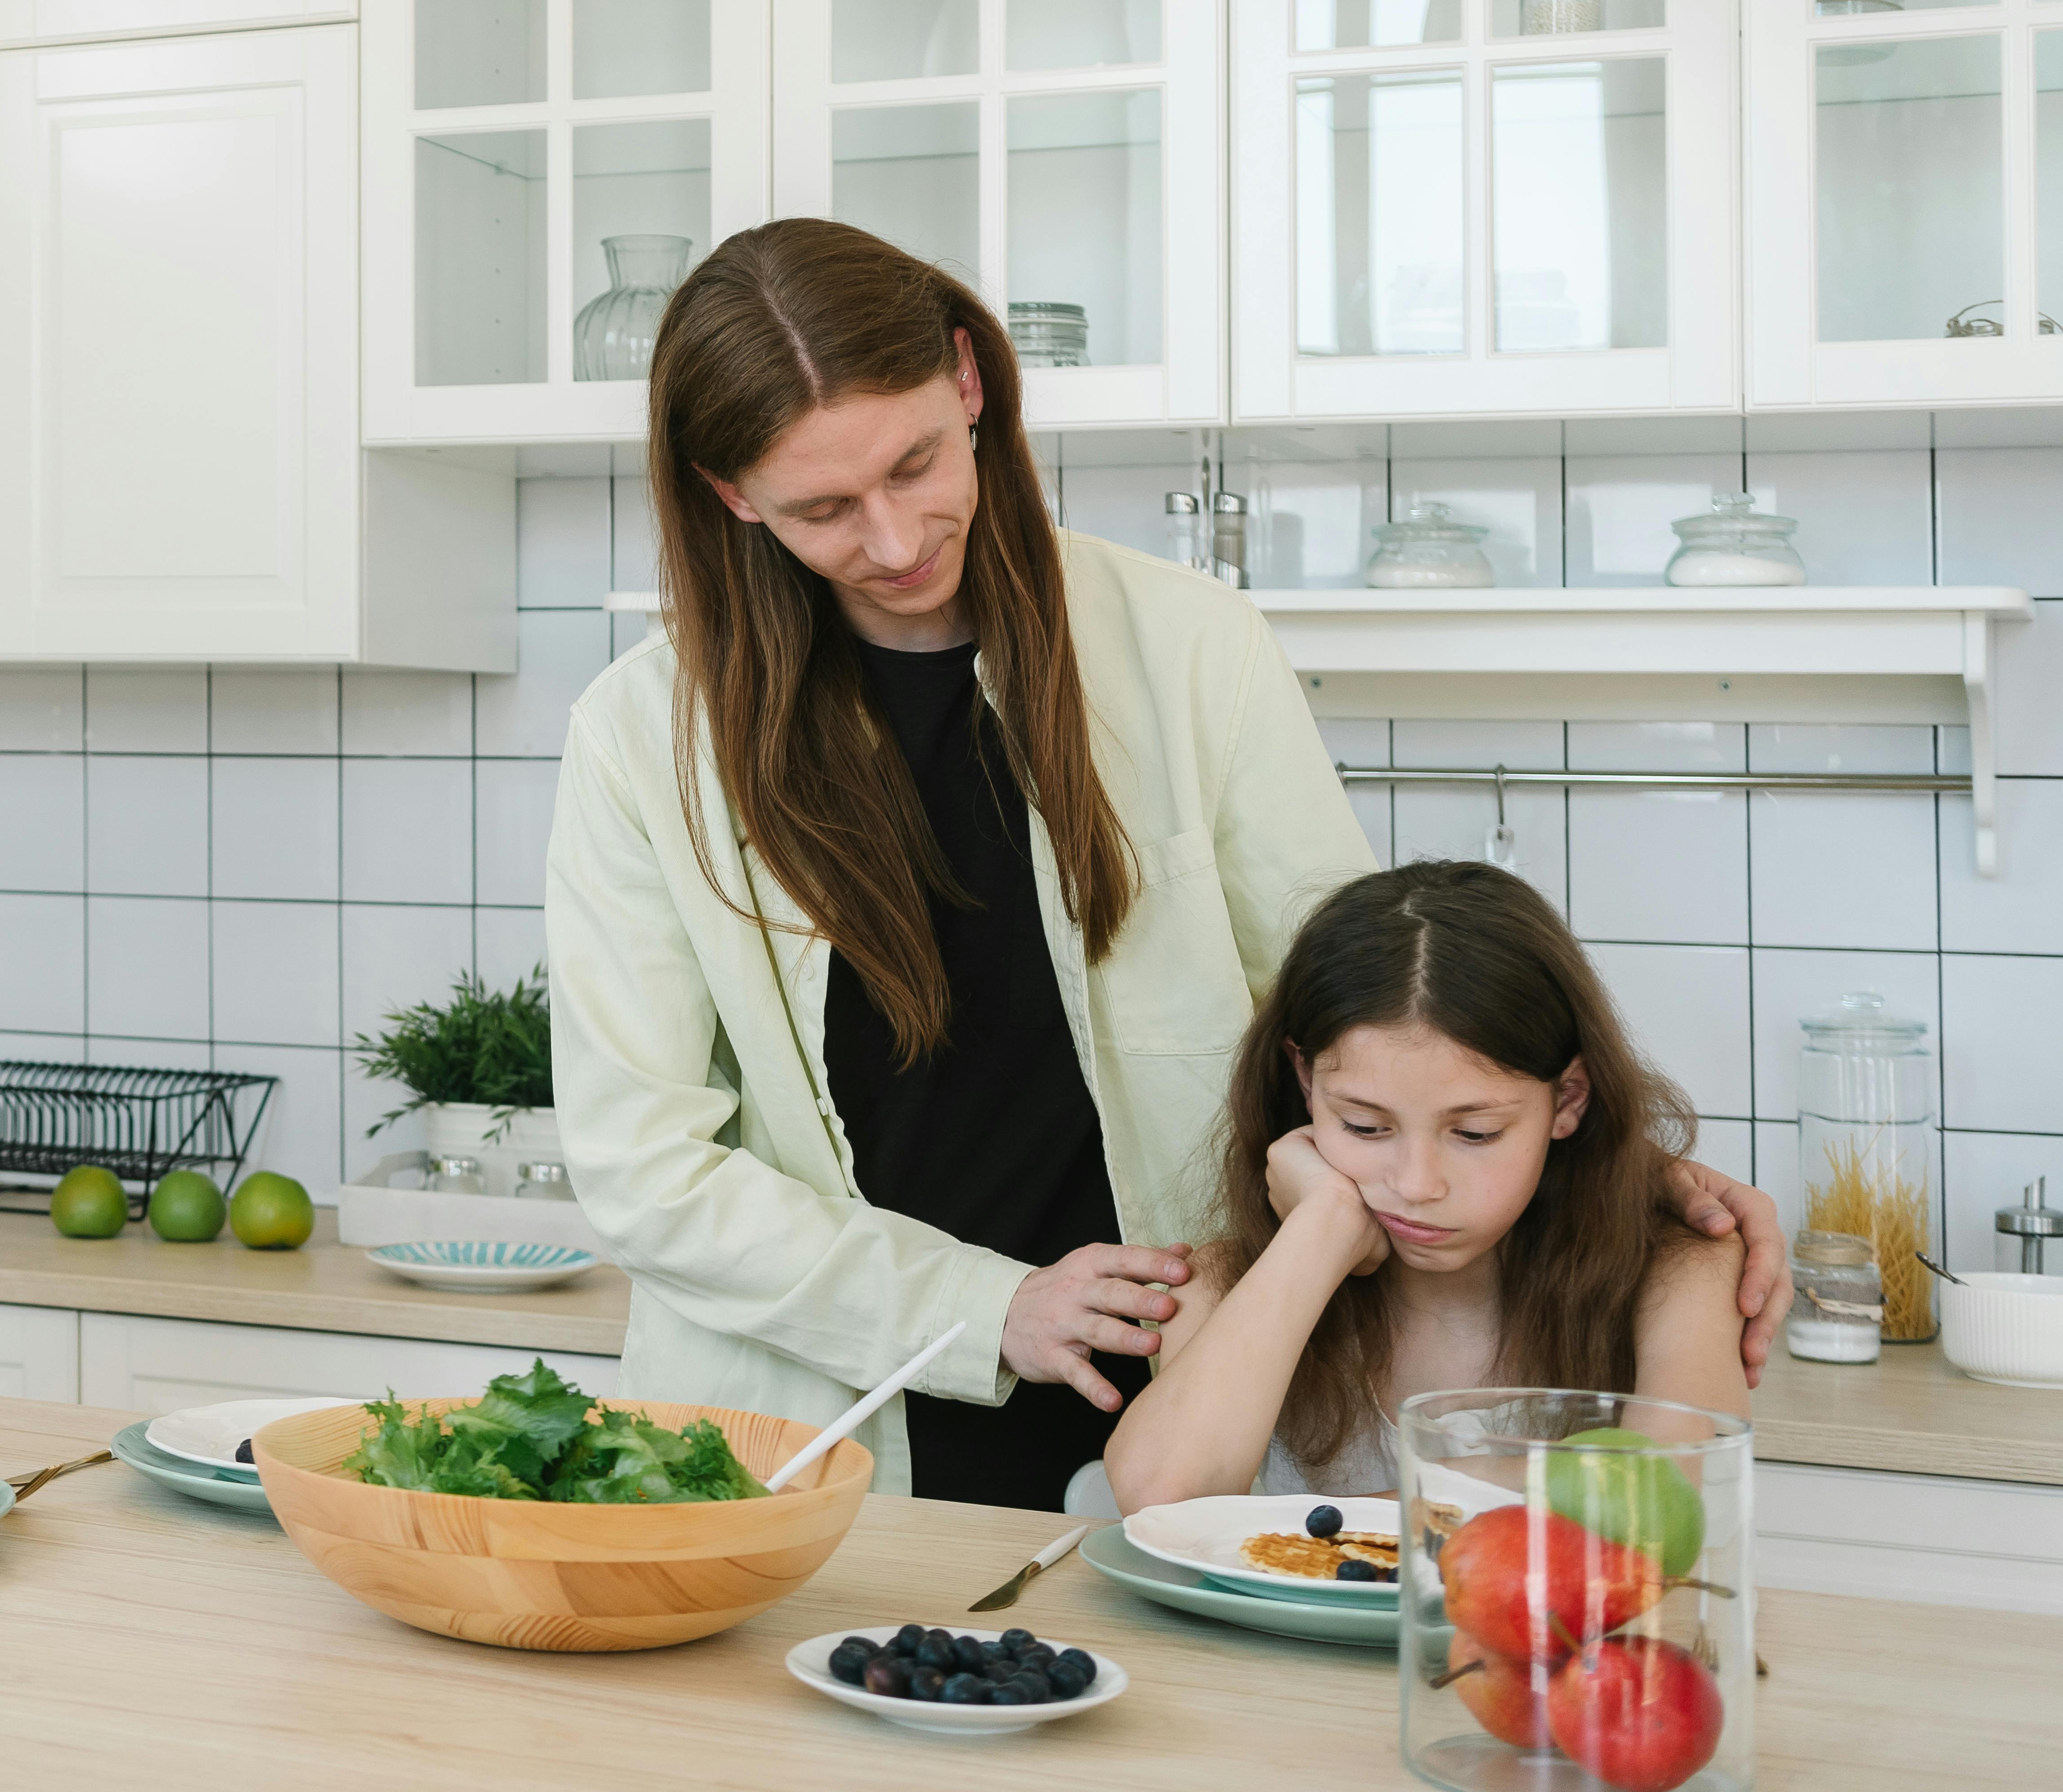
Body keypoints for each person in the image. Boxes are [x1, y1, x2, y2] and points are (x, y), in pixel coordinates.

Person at [542, 219, 1788, 1510]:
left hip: (1183, 1407)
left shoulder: (1196, 650)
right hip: (812, 1423)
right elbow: (645, 1167)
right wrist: (992, 1308)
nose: (899, 538)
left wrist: (1611, 1172)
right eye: (823, 509)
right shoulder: (644, 740)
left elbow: (1369, 1024)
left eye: (915, 463)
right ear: (732, 496)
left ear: (969, 384)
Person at [1103, 860, 1743, 1508]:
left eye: (1475, 1135)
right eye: (1363, 1126)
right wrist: (1322, 1225)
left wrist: (1326, 1525)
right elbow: (1163, 1499)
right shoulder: (1231, 1281)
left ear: (1568, 1099)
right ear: (1305, 1081)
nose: (1415, 1185)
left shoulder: (1680, 1264)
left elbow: (1664, 1492)